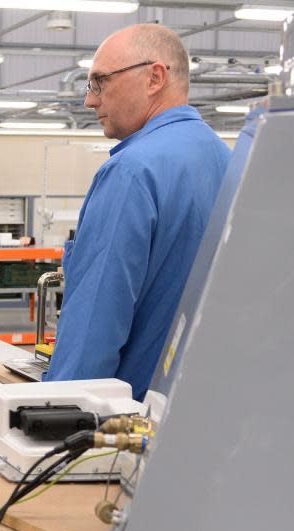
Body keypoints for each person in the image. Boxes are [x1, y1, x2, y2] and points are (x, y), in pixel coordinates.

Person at [43, 24, 231, 400]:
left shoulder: (131, 172)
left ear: (154, 77)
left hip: (127, 422)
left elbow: (93, 330)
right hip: (200, 407)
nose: (89, 101)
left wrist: (53, 413)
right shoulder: (228, 160)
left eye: (99, 82)